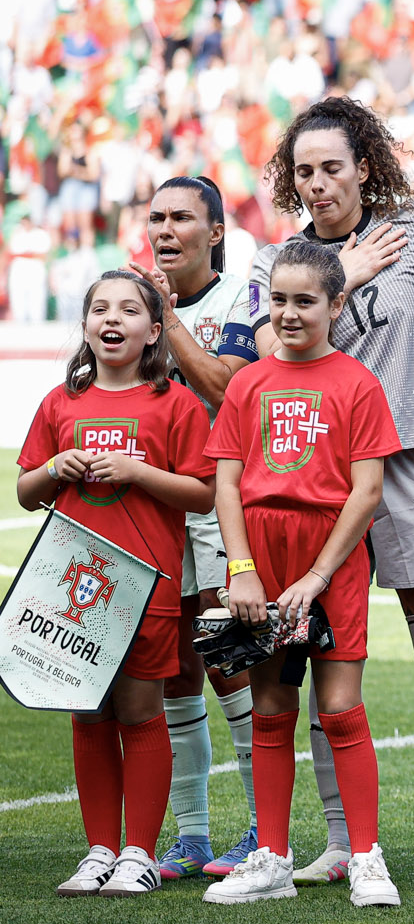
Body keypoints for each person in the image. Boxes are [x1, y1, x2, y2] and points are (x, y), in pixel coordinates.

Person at [251, 98, 414, 890]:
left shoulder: (413, 230)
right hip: (325, 478)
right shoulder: (281, 260)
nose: (318, 185)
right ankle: (337, 839)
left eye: (332, 168)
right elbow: (266, 351)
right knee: (325, 654)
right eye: (304, 172)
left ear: (364, 166)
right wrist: (339, 278)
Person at [201, 241, 401, 908]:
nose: (288, 313)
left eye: (304, 300)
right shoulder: (249, 383)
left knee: (340, 707)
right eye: (278, 300)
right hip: (260, 556)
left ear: (336, 304)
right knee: (270, 706)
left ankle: (367, 856)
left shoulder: (357, 383)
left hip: (330, 562)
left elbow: (366, 490)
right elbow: (226, 485)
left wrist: (317, 576)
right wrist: (243, 571)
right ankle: (272, 857)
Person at [23, 271, 216, 899]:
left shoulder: (176, 404)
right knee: (87, 713)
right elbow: (27, 491)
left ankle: (139, 852)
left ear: (153, 330)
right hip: (71, 590)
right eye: (100, 309)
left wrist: (138, 471)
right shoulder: (61, 403)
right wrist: (56, 467)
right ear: (85, 327)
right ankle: (99, 849)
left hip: (145, 587)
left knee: (139, 712)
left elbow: (204, 490)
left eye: (130, 310)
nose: (113, 319)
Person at [138, 176, 262, 882]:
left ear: (215, 231)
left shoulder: (243, 296)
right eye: (156, 216)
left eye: (181, 216)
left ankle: (259, 826)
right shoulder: (131, 301)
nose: (165, 228)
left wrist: (166, 315)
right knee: (174, 666)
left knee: (228, 657)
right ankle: (191, 836)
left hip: (220, 498)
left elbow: (227, 389)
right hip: (156, 499)